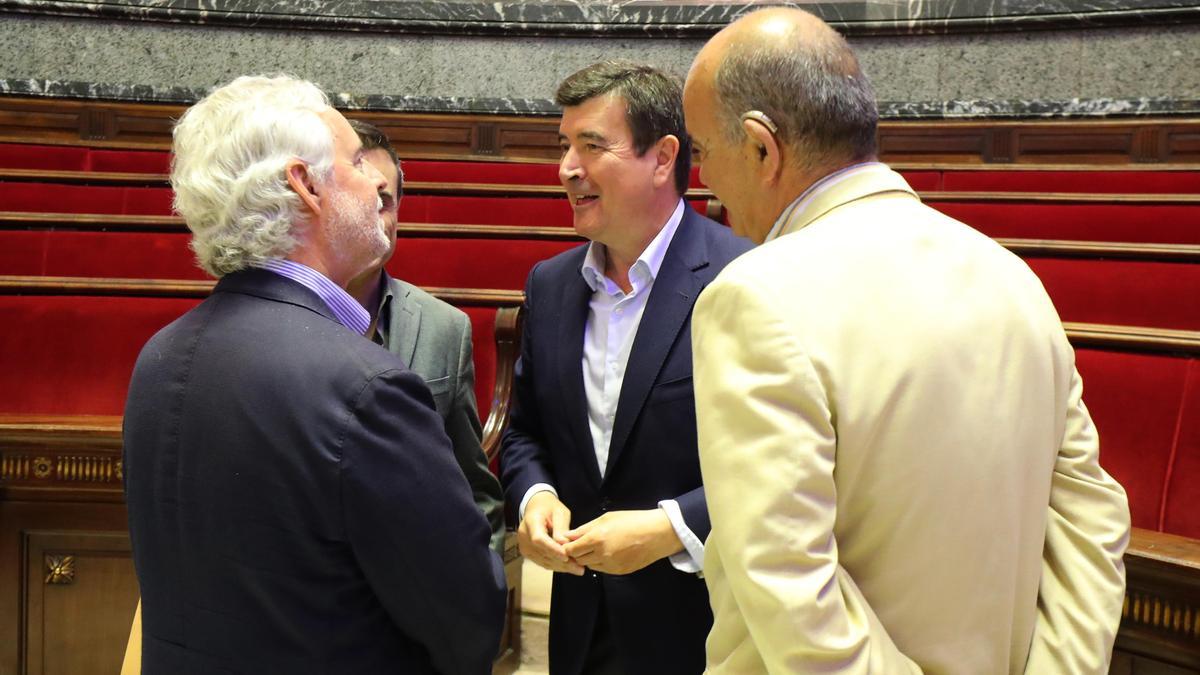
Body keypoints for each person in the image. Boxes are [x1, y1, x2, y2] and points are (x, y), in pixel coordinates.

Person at [683, 8, 1131, 674]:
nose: (701, 181)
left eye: (700, 151)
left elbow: (793, 594)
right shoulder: (1012, 279)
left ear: (759, 147)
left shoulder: (755, 296)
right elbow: (1091, 526)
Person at [122, 75, 506, 675]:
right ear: (306, 186)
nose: (381, 182)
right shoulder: (364, 385)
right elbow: (468, 620)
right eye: (357, 161)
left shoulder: (159, 355)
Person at [499, 61, 752, 675]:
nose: (567, 169)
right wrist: (535, 497)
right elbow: (524, 431)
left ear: (663, 157)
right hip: (581, 626)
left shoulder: (744, 279)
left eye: (591, 146)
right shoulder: (552, 284)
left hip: (703, 625)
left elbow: (780, 463)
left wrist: (671, 528)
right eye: (564, 147)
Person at [345, 119, 506, 556]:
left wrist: (477, 597)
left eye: (385, 200)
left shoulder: (445, 328)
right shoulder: (276, 322)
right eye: (361, 197)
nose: (376, 216)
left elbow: (475, 492)